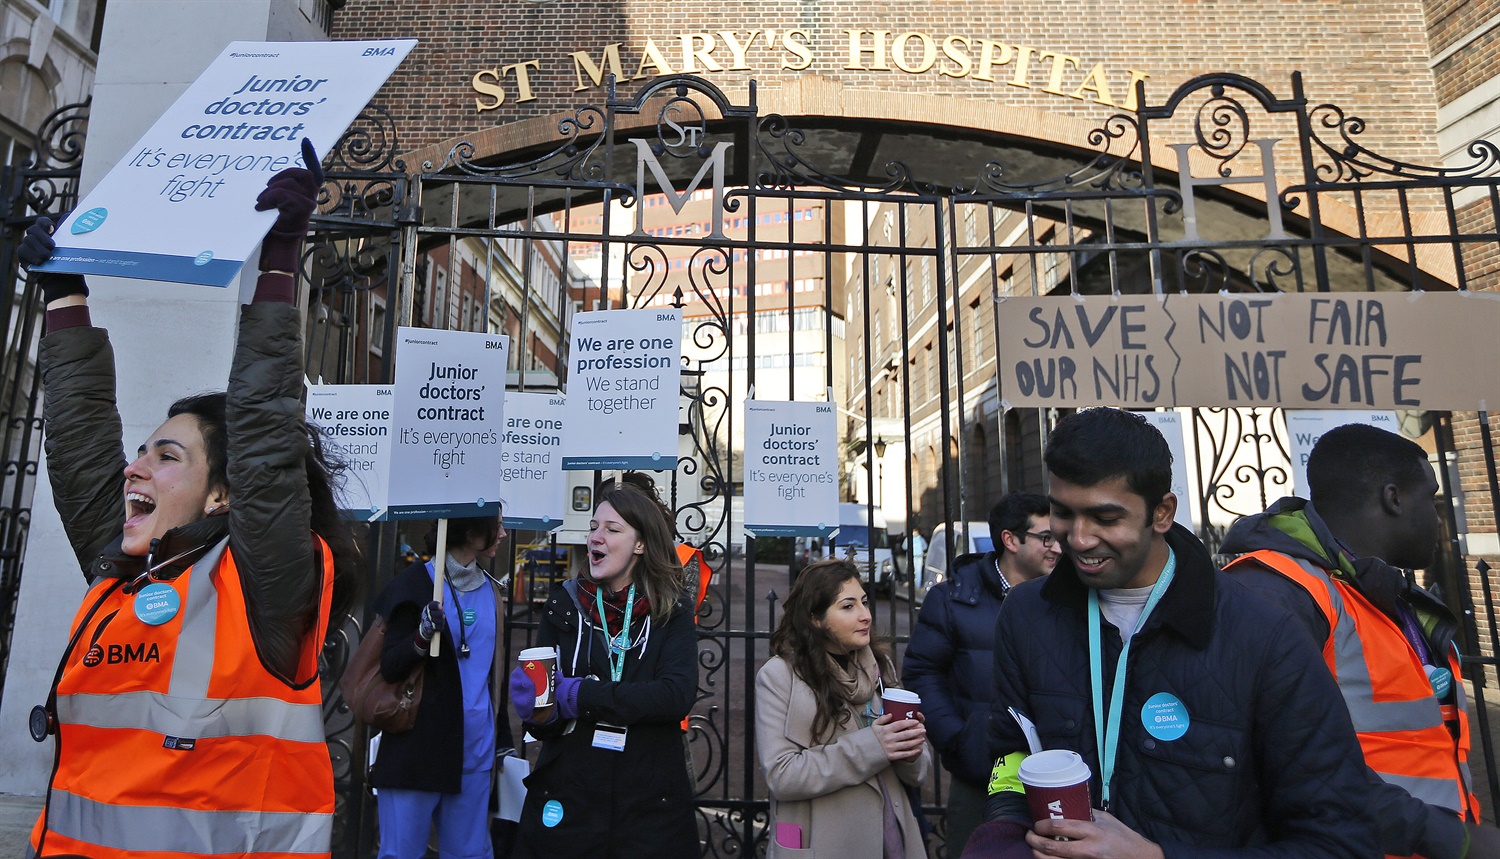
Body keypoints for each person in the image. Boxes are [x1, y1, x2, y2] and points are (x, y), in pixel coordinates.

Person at [24, 145, 361, 858]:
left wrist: (278, 264)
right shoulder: (120, 573)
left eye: (165, 455)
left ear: (222, 493)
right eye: (143, 449)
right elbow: (82, 446)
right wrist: (63, 293)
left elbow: (266, 436)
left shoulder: (262, 587)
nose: (133, 467)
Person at [970, 407, 1375, 858]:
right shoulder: (1026, 614)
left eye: (1105, 518)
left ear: (1161, 513)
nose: (1079, 539)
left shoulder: (1266, 636)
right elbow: (1012, 753)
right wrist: (1004, 835)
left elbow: (1341, 842)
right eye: (1063, 513)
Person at [1222, 423, 1500, 859]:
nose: (1438, 515)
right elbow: (1291, 764)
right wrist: (1458, 840)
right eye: (1431, 498)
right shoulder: (1277, 590)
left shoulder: (1380, 592)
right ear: (1394, 498)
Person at [508, 486, 698, 858]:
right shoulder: (564, 603)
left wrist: (582, 695)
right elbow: (544, 723)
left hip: (647, 799)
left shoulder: (671, 609)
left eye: (612, 529)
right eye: (594, 526)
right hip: (572, 793)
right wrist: (537, 709)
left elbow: (674, 696)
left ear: (640, 544)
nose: (596, 536)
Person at [903, 492, 1057, 854]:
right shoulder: (953, 597)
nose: (1058, 547)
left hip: (1056, 766)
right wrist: (960, 739)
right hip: (981, 769)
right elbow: (922, 671)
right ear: (1010, 540)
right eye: (1046, 537)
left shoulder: (1067, 595)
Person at [757, 558, 933, 858]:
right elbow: (781, 775)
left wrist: (910, 746)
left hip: (891, 836)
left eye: (864, 602)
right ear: (815, 617)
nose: (865, 615)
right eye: (848, 606)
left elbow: (917, 774)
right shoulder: (779, 676)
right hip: (825, 842)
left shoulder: (877, 667)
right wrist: (874, 746)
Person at [371, 514, 514, 859]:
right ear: (470, 531)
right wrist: (419, 638)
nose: (504, 533)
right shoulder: (414, 585)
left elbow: (492, 675)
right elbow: (389, 666)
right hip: (417, 750)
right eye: (496, 525)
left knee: (469, 855)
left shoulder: (492, 590)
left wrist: (501, 738)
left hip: (474, 751)